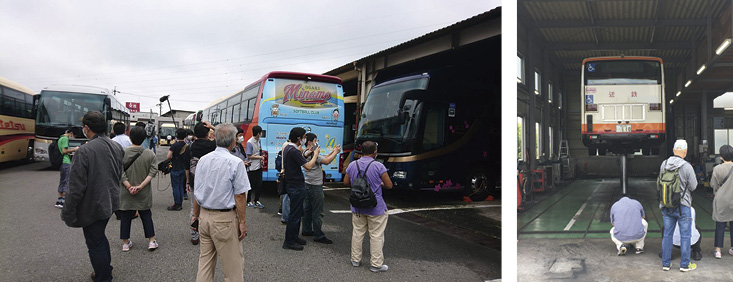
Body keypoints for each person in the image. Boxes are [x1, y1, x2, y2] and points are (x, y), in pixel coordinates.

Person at [61, 111, 124, 282]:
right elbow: (118, 174)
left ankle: (104, 276)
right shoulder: (116, 147)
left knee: (95, 243)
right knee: (99, 237)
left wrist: (68, 211)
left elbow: (75, 188)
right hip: (111, 201)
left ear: (87, 128)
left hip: (93, 205)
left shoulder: (85, 151)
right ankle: (105, 269)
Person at [191, 123, 250, 282]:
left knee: (205, 263)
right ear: (233, 141)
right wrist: (242, 222)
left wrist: (195, 216)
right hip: (224, 220)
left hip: (204, 217)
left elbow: (198, 190)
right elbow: (240, 196)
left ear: (215, 139)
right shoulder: (236, 162)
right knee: (233, 269)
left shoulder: (203, 160)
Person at [344, 141, 392, 272]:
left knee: (358, 233)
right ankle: (376, 264)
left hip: (357, 205)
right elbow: (389, 185)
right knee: (376, 235)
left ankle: (355, 260)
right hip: (375, 206)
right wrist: (379, 184)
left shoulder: (353, 164)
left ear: (361, 151)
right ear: (375, 152)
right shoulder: (378, 166)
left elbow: (346, 182)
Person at [659, 139, 698, 272]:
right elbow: (693, 186)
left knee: (667, 235)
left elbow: (660, 183)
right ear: (685, 152)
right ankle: (685, 265)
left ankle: (666, 263)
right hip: (683, 205)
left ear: (673, 150)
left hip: (666, 205)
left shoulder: (664, 164)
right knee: (685, 236)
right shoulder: (687, 166)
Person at [119, 127, 159, 252]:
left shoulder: (122, 153)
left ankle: (125, 243)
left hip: (126, 192)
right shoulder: (149, 153)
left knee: (125, 217)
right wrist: (141, 186)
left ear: (130, 137)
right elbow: (153, 171)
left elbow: (119, 172)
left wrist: (129, 186)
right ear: (144, 139)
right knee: (146, 215)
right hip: (143, 192)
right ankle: (151, 241)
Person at [281, 127, 321, 251]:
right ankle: (289, 241)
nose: (305, 139)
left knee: (298, 213)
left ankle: (294, 237)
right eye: (304, 136)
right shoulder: (293, 150)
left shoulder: (288, 147)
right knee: (295, 215)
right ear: (299, 138)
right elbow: (308, 166)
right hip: (296, 186)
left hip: (293, 184)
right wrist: (316, 155)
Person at [301, 132, 341, 244]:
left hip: (308, 184)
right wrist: (336, 152)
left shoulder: (306, 153)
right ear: (310, 142)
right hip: (315, 186)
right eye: (315, 140)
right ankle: (318, 235)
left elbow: (323, 158)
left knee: (307, 209)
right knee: (318, 211)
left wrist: (333, 152)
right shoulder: (313, 154)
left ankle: (306, 230)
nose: (316, 142)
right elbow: (327, 162)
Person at [188, 121, 217, 245]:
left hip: (195, 178)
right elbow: (224, 137)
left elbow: (186, 166)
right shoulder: (212, 145)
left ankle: (194, 235)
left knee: (194, 207)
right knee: (211, 205)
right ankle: (210, 232)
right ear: (207, 133)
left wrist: (188, 182)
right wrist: (212, 127)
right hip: (211, 179)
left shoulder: (190, 146)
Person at [711, 144, 733, 259]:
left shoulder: (717, 169)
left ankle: (718, 250)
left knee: (720, 225)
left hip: (721, 201)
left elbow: (713, 185)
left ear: (721, 157)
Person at [166, 128, 190, 210]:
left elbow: (168, 156)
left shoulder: (174, 145)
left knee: (175, 187)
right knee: (180, 186)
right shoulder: (187, 146)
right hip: (183, 168)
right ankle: (180, 203)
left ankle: (177, 204)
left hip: (175, 168)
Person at [55, 129, 78, 208]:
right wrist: (74, 149)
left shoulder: (60, 138)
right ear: (71, 133)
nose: (73, 137)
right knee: (66, 180)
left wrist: (69, 152)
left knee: (62, 180)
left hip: (62, 161)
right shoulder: (65, 139)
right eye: (74, 136)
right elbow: (64, 151)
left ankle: (59, 199)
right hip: (66, 161)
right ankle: (64, 200)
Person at [246, 125, 265, 208]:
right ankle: (248, 200)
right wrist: (259, 157)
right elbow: (249, 156)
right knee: (251, 184)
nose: (261, 134)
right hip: (252, 166)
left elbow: (260, 151)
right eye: (260, 133)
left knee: (259, 184)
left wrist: (262, 157)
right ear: (258, 133)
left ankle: (256, 200)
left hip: (259, 166)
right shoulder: (250, 142)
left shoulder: (259, 141)